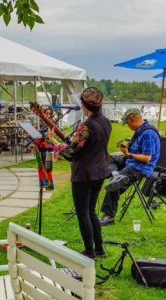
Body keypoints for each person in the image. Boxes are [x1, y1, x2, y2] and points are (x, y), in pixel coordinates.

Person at [57, 87, 111, 258]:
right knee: (92, 211)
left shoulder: (86, 126)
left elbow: (70, 152)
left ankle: (89, 251)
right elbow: (84, 145)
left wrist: (55, 144)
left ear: (84, 106)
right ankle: (100, 249)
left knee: (83, 213)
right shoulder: (106, 121)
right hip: (100, 171)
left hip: (85, 175)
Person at [99, 108, 160, 226]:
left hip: (140, 167)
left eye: (127, 123)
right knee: (106, 158)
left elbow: (147, 158)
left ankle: (109, 216)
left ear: (132, 120)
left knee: (113, 186)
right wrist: (126, 149)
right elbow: (136, 151)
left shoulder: (148, 133)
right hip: (131, 161)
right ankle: (115, 175)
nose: (128, 126)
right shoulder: (140, 130)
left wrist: (129, 154)